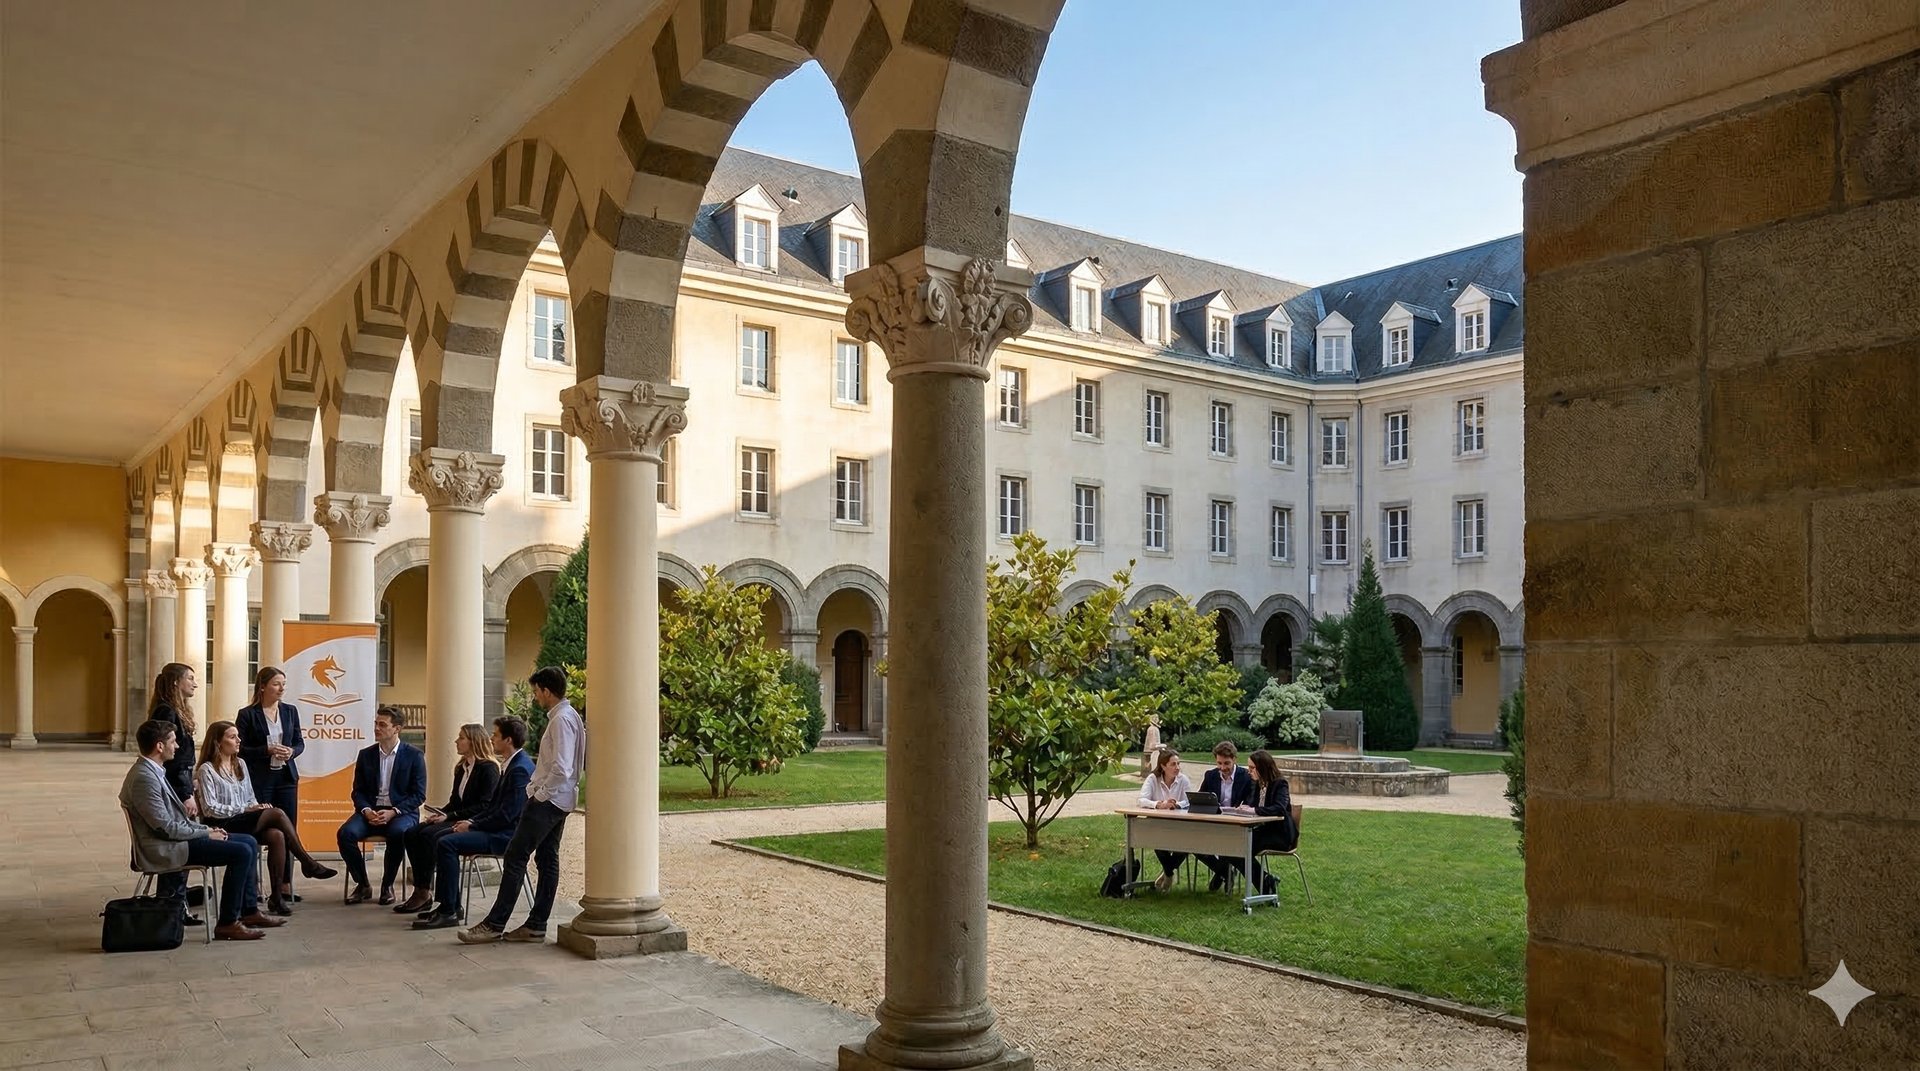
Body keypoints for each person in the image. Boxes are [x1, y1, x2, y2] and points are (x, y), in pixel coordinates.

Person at [121, 719, 286, 941]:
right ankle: (228, 922)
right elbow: (166, 828)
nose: (177, 746)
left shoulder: (153, 771)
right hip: (166, 847)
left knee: (248, 841)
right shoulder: (144, 778)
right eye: (173, 741)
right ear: (159, 746)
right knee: (242, 852)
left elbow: (174, 822)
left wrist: (206, 829)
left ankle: (249, 912)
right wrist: (205, 833)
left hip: (177, 839)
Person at [458, 667, 583, 944]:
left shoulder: (561, 719)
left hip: (550, 801)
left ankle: (494, 924)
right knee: (547, 859)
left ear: (546, 691)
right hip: (559, 800)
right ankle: (536, 925)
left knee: (516, 856)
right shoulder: (568, 716)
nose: (535, 696)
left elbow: (562, 768)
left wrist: (538, 794)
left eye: (536, 691)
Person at [194, 720, 337, 915]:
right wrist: (246, 809)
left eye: (238, 736)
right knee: (276, 813)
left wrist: (256, 806)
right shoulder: (206, 770)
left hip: (243, 818)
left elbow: (250, 795)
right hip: (221, 824)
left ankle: (277, 897)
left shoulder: (240, 764)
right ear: (218, 743)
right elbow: (210, 809)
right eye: (232, 737)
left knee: (276, 835)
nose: (239, 740)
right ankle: (307, 862)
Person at [413, 715, 535, 929]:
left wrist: (471, 824)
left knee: (446, 842)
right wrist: (468, 821)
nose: (491, 739)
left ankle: (449, 910)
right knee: (441, 836)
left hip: (506, 835)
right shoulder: (511, 764)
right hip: (497, 828)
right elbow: (495, 809)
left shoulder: (519, 769)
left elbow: (506, 816)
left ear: (508, 740)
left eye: (495, 735)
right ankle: (449, 905)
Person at [394, 722, 502, 914]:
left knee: (430, 836)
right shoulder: (462, 768)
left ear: (473, 741)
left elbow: (485, 805)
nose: (456, 741)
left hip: (476, 821)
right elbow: (455, 801)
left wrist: (448, 816)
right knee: (412, 833)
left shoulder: (489, 769)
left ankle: (432, 895)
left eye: (461, 738)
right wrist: (440, 814)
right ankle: (422, 889)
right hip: (457, 816)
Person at [336, 707, 426, 905]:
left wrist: (393, 812)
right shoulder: (366, 755)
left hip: (402, 812)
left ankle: (387, 885)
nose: (377, 728)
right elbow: (357, 791)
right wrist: (367, 811)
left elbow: (418, 795)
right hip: (370, 811)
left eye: (382, 725)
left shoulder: (414, 756)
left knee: (398, 834)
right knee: (345, 834)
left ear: (397, 729)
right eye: (376, 724)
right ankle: (363, 884)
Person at [236, 666, 304, 895]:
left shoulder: (290, 711)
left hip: (286, 777)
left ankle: (284, 885)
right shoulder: (247, 714)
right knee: (258, 830)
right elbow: (240, 749)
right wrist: (266, 750)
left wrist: (291, 752)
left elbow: (299, 742)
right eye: (276, 683)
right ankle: (254, 885)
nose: (281, 688)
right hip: (259, 780)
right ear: (263, 686)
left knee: (288, 830)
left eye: (283, 684)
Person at [1220, 749, 1296, 895]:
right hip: (1262, 831)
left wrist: (1253, 810)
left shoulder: (1280, 784)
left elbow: (1279, 808)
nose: (1249, 771)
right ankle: (1266, 881)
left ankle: (1265, 885)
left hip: (1280, 834)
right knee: (1233, 848)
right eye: (1249, 768)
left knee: (1240, 849)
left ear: (1263, 767)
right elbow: (1252, 805)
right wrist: (1244, 808)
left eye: (1252, 768)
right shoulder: (1257, 784)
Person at [1198, 740, 1254, 891]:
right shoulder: (1210, 775)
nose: (1223, 768)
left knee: (1226, 839)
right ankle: (1223, 871)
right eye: (1219, 763)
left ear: (1235, 759)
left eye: (1226, 763)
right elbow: (1200, 798)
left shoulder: (1246, 777)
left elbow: (1250, 801)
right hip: (1214, 821)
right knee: (1194, 840)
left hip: (1236, 823)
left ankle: (1222, 872)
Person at [1136, 747, 1192, 892]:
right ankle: (1169, 873)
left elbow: (1189, 801)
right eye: (1173, 764)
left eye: (1178, 764)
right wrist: (1159, 804)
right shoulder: (1153, 779)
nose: (1177, 768)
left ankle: (1167, 873)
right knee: (1157, 840)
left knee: (1188, 843)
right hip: (1158, 824)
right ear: (1163, 766)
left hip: (1179, 824)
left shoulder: (1183, 780)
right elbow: (1142, 799)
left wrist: (1176, 804)